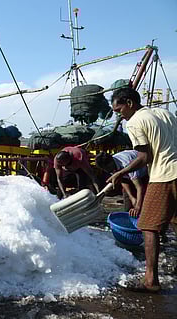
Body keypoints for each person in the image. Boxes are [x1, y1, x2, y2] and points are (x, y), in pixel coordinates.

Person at [107, 87, 177, 293]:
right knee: (174, 221)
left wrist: (121, 173)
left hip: (165, 174)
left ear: (129, 103)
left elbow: (144, 157)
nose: (119, 115)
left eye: (119, 109)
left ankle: (150, 281)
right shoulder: (165, 113)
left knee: (148, 226)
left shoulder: (135, 121)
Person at [95, 150, 148, 217]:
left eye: (107, 168)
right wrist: (131, 197)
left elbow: (139, 187)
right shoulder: (110, 167)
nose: (106, 170)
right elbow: (123, 180)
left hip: (143, 175)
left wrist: (137, 206)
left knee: (143, 206)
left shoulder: (126, 163)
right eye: (104, 169)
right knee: (128, 207)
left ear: (111, 162)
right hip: (129, 178)